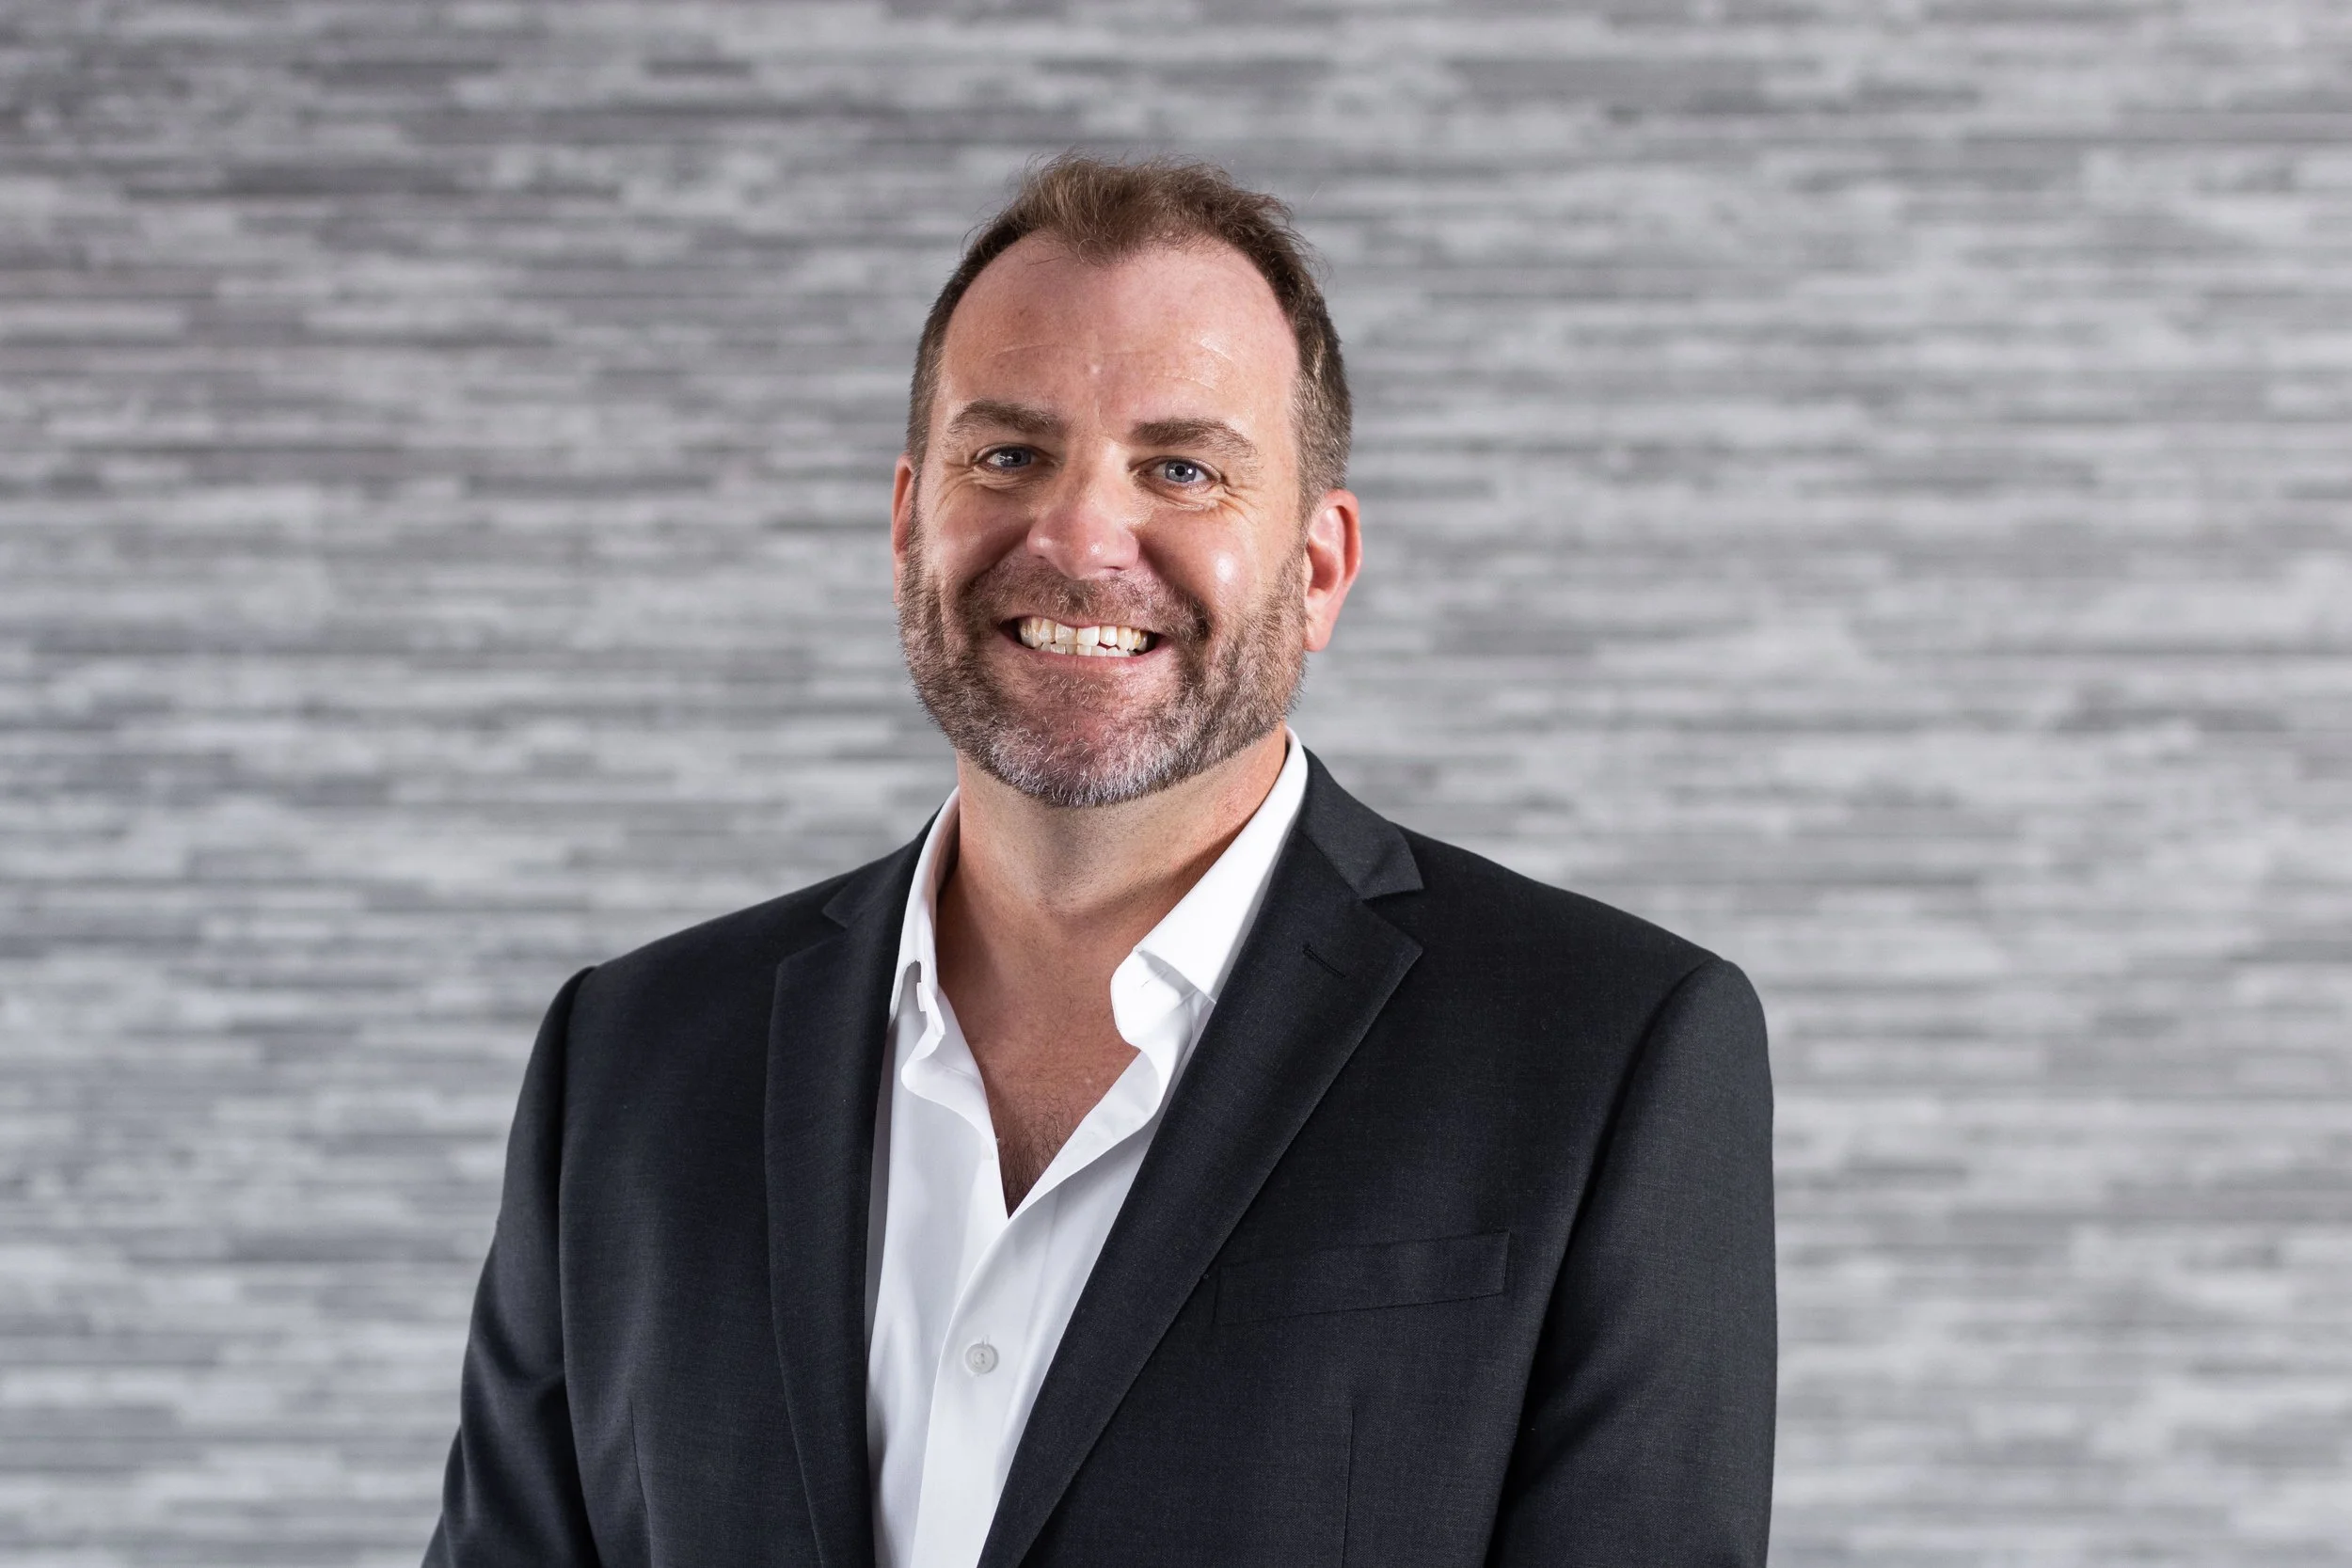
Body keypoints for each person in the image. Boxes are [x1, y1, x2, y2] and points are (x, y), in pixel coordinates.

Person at [423, 153, 1776, 1568]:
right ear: (908, 523)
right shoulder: (630, 1061)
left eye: (1182, 468)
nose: (1077, 537)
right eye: (1008, 455)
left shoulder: (1604, 1054)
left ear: (1318, 568)